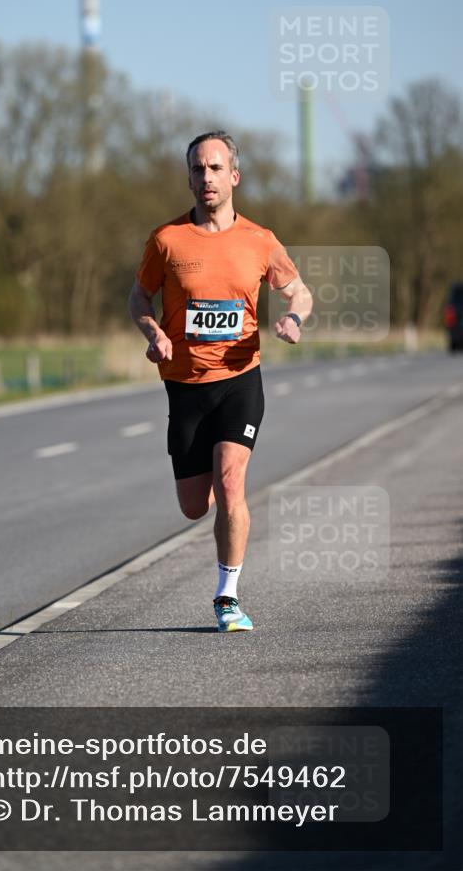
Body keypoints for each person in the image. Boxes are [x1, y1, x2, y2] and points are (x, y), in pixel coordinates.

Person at [128, 131, 313, 632]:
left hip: (240, 379)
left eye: (215, 168)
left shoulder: (260, 240)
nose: (206, 177)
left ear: (234, 175)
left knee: (232, 484)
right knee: (194, 506)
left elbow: (299, 291)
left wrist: (294, 318)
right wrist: (153, 332)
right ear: (188, 178)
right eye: (197, 169)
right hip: (185, 385)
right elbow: (138, 297)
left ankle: (227, 596)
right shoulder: (166, 240)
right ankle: (209, 485)